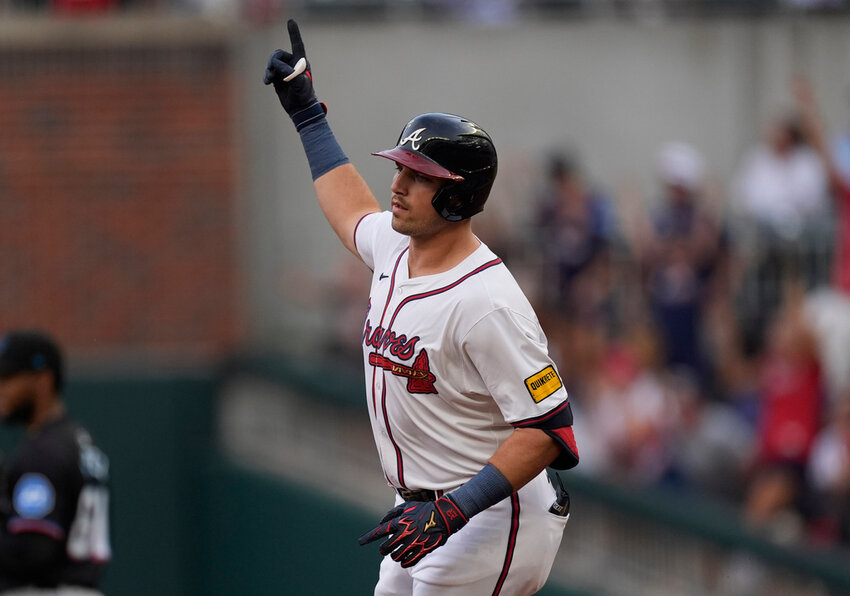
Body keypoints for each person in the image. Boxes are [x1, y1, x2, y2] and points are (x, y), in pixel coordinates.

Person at [264, 20, 579, 596]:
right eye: (402, 169)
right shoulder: (397, 245)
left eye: (420, 176)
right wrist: (308, 115)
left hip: (488, 515)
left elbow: (550, 430)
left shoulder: (486, 300)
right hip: (424, 513)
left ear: (458, 195)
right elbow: (350, 209)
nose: (399, 184)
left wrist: (452, 512)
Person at [0, 331, 111, 596]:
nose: (1, 389)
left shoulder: (42, 452)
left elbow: (31, 551)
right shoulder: (81, 441)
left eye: (7, 379)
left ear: (43, 380)